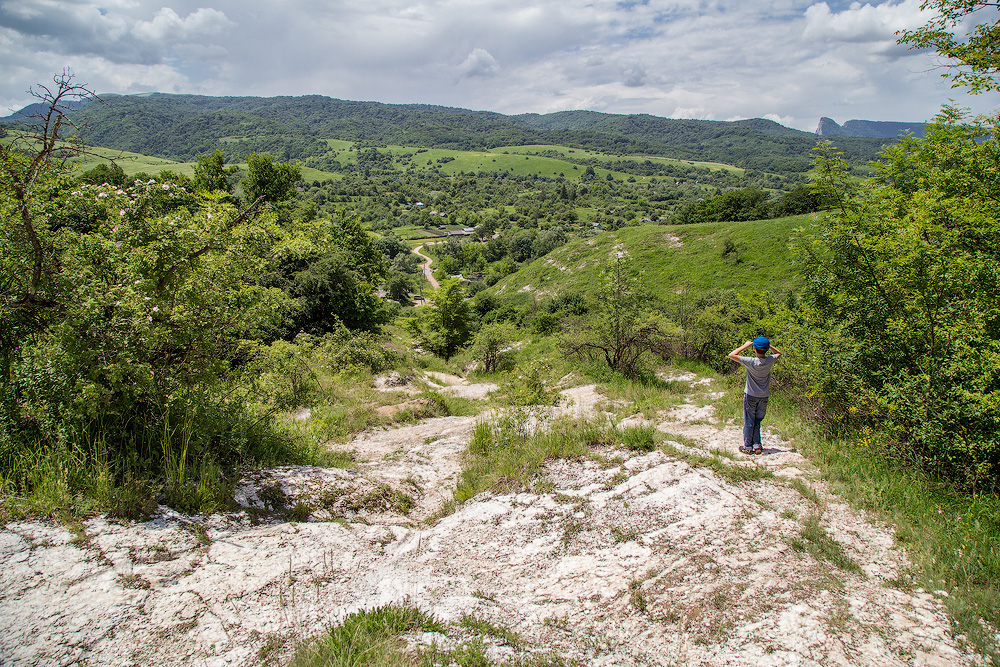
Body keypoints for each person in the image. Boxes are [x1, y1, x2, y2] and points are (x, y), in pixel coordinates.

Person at [728, 336, 782, 455]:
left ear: (754, 348)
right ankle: (757, 445)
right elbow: (779, 353)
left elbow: (732, 355)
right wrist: (769, 346)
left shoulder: (751, 362)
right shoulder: (769, 360)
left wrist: (745, 345)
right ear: (766, 349)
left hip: (751, 395)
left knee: (749, 421)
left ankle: (748, 447)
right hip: (764, 396)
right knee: (757, 421)